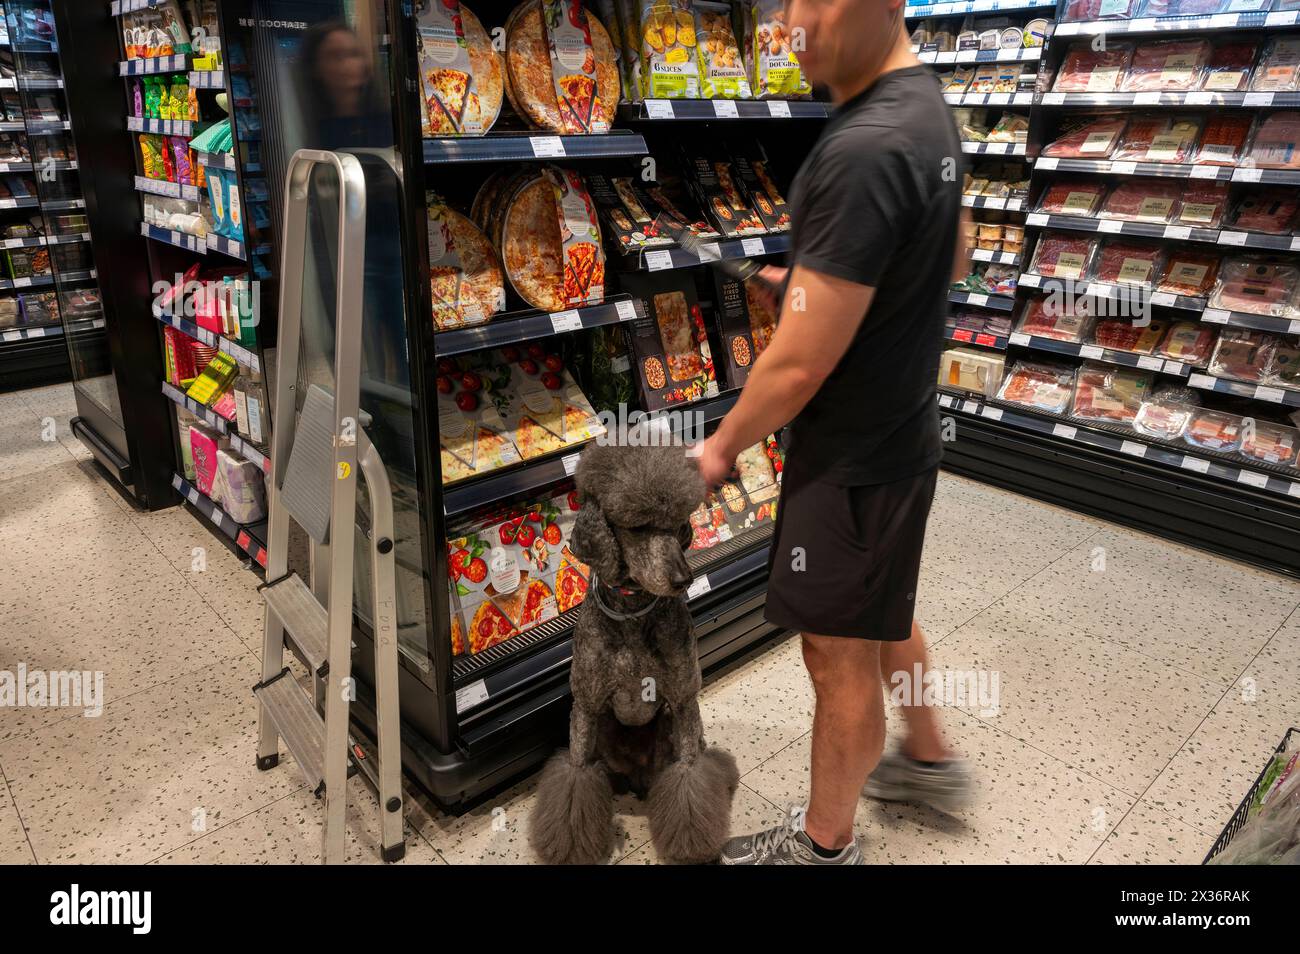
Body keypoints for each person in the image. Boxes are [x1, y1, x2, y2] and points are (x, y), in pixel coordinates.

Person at [696, 0, 973, 865]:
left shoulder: (862, 147)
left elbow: (795, 368)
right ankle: (929, 757)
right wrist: (831, 280)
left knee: (835, 654)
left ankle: (823, 846)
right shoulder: (925, 107)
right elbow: (953, 253)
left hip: (851, 457)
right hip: (903, 434)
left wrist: (719, 447)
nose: (794, 20)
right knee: (882, 611)